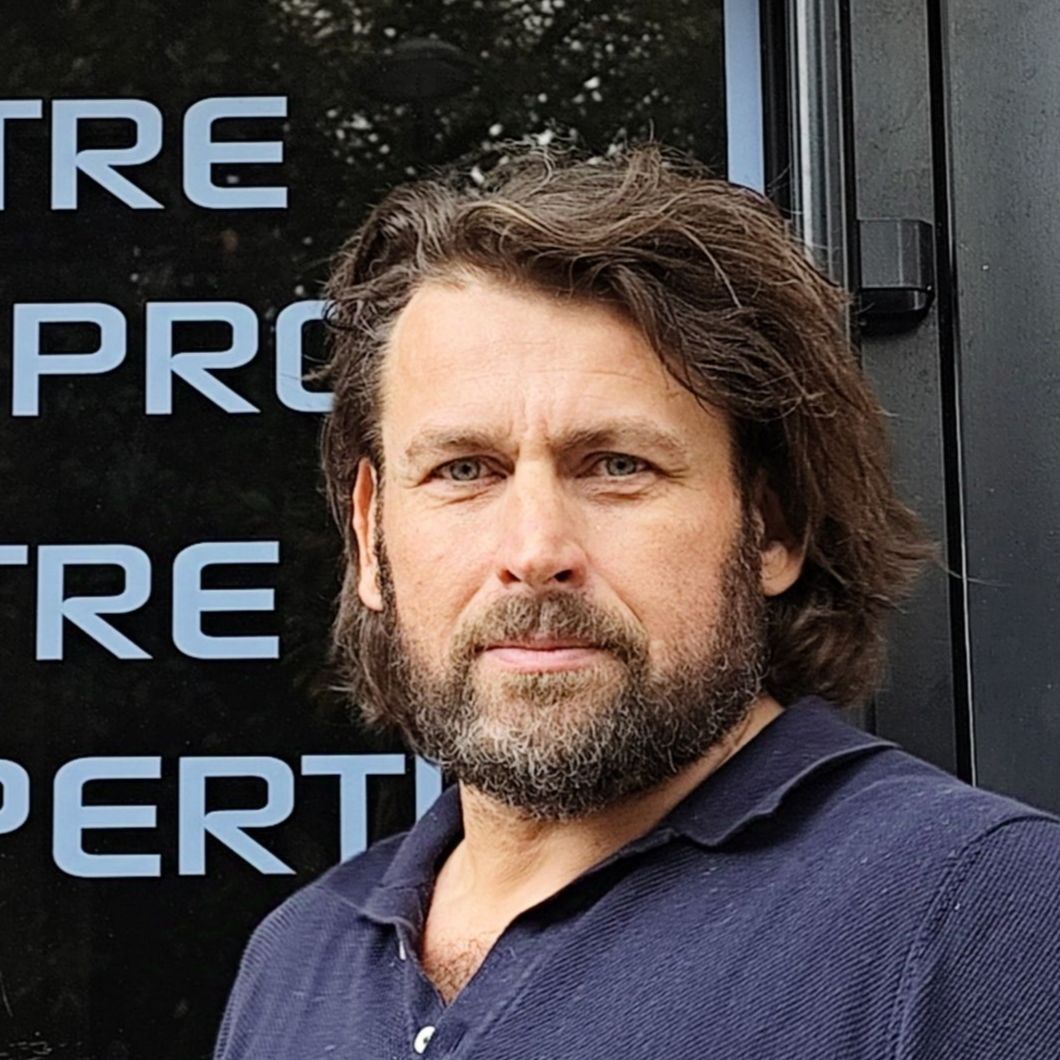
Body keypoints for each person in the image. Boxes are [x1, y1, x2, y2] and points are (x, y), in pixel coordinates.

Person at [214, 141, 1060, 1059]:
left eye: (617, 466)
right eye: (464, 470)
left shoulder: (979, 912)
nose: (536, 553)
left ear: (772, 527)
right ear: (369, 536)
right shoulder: (296, 958)